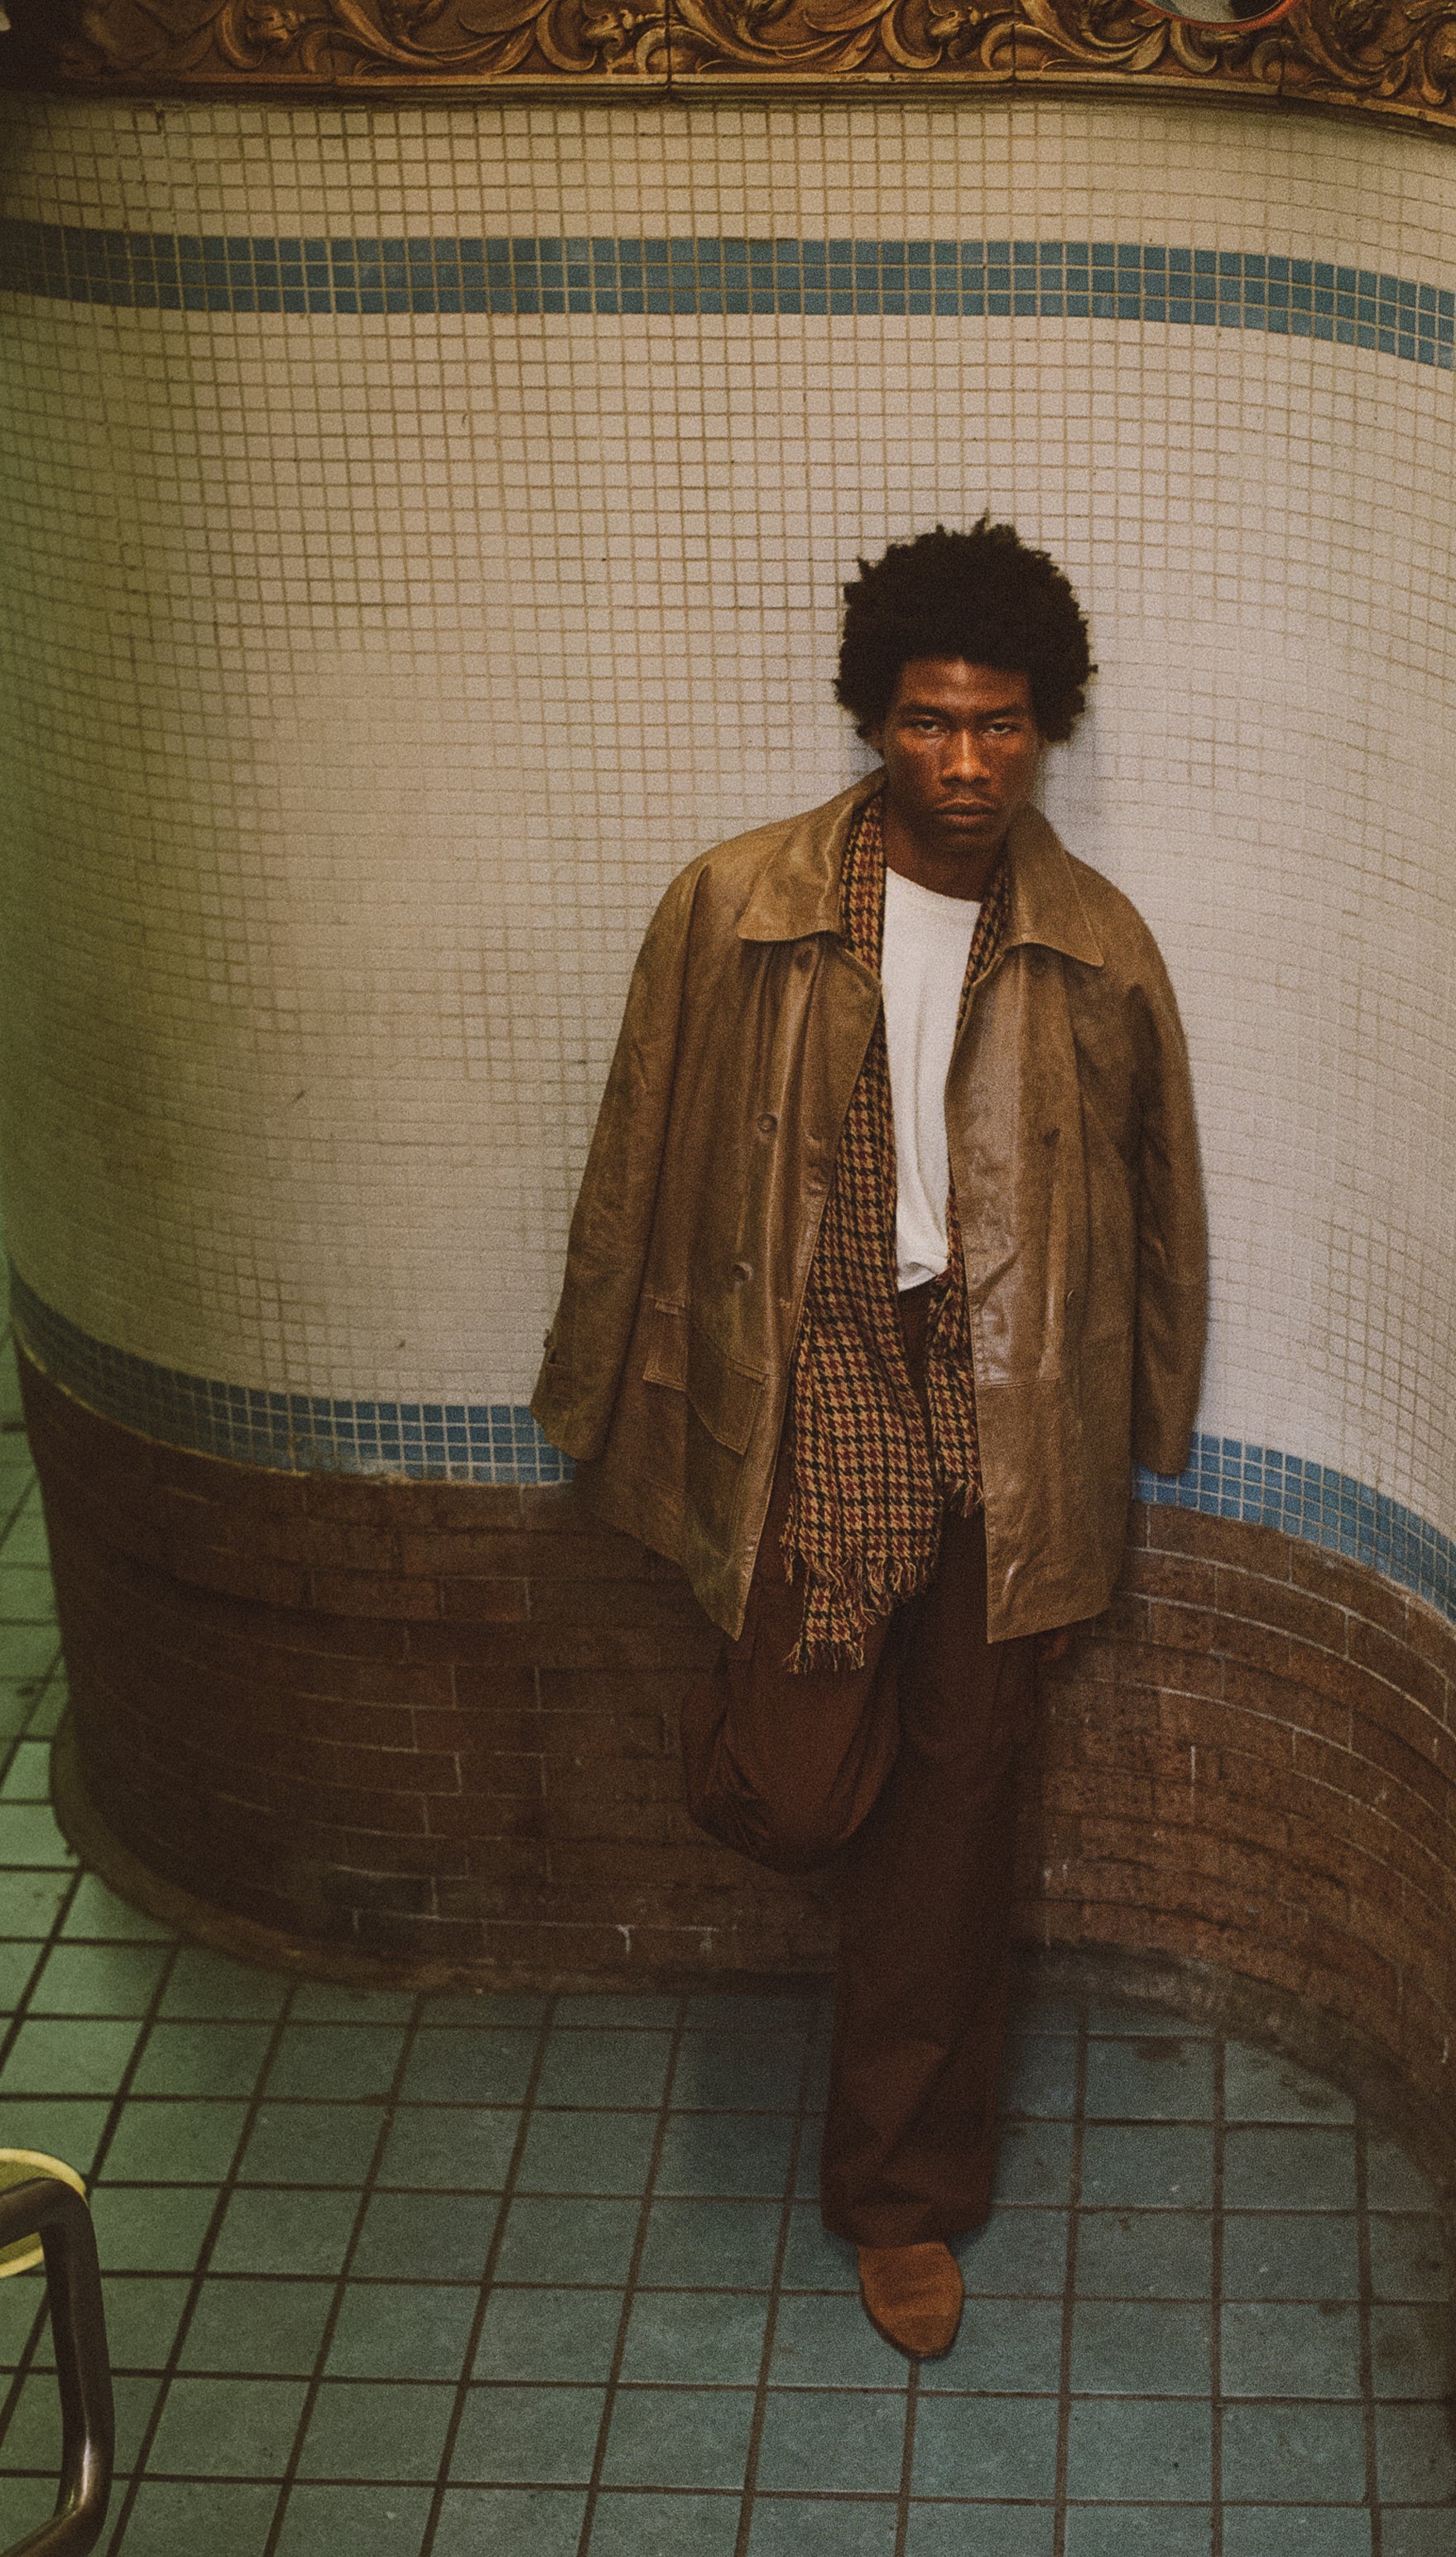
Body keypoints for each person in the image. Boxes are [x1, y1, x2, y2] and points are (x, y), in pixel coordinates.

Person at [531, 518, 1206, 2358]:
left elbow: (1158, 1224)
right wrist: (602, 1403)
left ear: (1042, 729)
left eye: (1001, 725)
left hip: (1005, 1417)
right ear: (873, 720)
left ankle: (903, 2196)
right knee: (805, 1788)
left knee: (957, 1826)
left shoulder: (1091, 950)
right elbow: (635, 1157)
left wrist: (1120, 1463)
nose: (967, 761)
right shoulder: (734, 909)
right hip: (808, 1370)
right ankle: (771, 1724)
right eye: (928, 721)